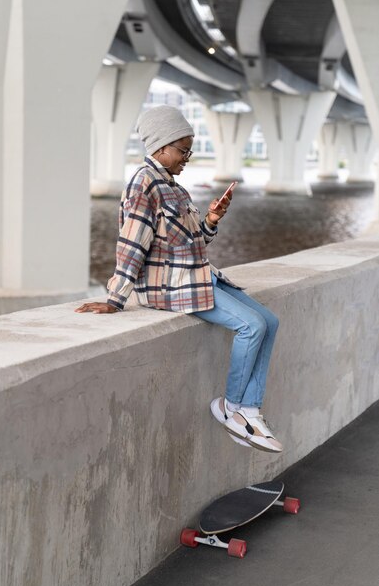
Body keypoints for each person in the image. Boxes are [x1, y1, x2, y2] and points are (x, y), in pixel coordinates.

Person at [76, 105, 282, 453]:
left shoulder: (176, 189)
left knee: (271, 321)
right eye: (183, 149)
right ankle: (231, 408)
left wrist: (212, 219)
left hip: (197, 276)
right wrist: (115, 297)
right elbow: (132, 243)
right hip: (171, 286)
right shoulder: (144, 184)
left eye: (189, 150)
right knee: (252, 326)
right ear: (161, 147)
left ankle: (249, 409)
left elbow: (194, 243)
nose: (187, 157)